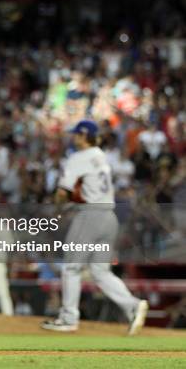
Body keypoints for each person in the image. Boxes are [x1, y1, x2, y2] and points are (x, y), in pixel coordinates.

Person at [41, 120, 148, 335]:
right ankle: (133, 306)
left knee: (71, 267)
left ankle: (68, 318)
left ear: (83, 136)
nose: (73, 138)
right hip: (109, 216)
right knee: (100, 272)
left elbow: (63, 192)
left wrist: (56, 208)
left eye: (76, 135)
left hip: (90, 215)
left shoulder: (78, 157)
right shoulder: (101, 155)